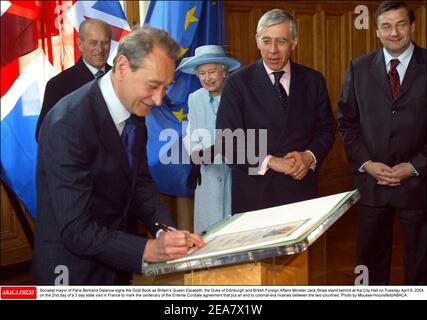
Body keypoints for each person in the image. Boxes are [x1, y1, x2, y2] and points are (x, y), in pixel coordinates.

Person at [32, 25, 205, 285]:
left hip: (116, 264)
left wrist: (165, 232)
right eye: (153, 85)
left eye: (166, 87)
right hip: (69, 272)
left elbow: (140, 183)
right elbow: (76, 229)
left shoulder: (136, 110)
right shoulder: (67, 124)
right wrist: (148, 250)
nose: (159, 100)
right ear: (122, 67)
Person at [338, 0, 426, 285]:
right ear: (376, 31)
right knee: (370, 260)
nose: (394, 32)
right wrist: (367, 164)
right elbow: (347, 123)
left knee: (421, 261)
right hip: (372, 183)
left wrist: (413, 166)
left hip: (419, 183)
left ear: (413, 26)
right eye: (386, 26)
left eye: (401, 24)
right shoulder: (359, 67)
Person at [216, 9, 336, 214]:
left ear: (294, 42)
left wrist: (309, 156)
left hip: (300, 191)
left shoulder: (313, 80)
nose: (272, 50)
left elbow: (326, 129)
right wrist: (271, 161)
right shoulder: (237, 83)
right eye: (266, 40)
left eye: (281, 41)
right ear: (257, 41)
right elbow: (227, 141)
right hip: (255, 195)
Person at [178, 45, 240, 233]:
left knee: (233, 228)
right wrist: (196, 153)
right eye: (202, 73)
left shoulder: (238, 96)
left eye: (212, 71)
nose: (207, 78)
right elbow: (192, 133)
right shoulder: (195, 98)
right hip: (208, 173)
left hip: (235, 171)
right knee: (209, 230)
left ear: (224, 71)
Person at [35, 18, 113, 140]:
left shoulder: (122, 79)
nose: (99, 49)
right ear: (80, 44)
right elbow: (43, 134)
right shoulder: (58, 85)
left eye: (105, 42)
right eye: (93, 43)